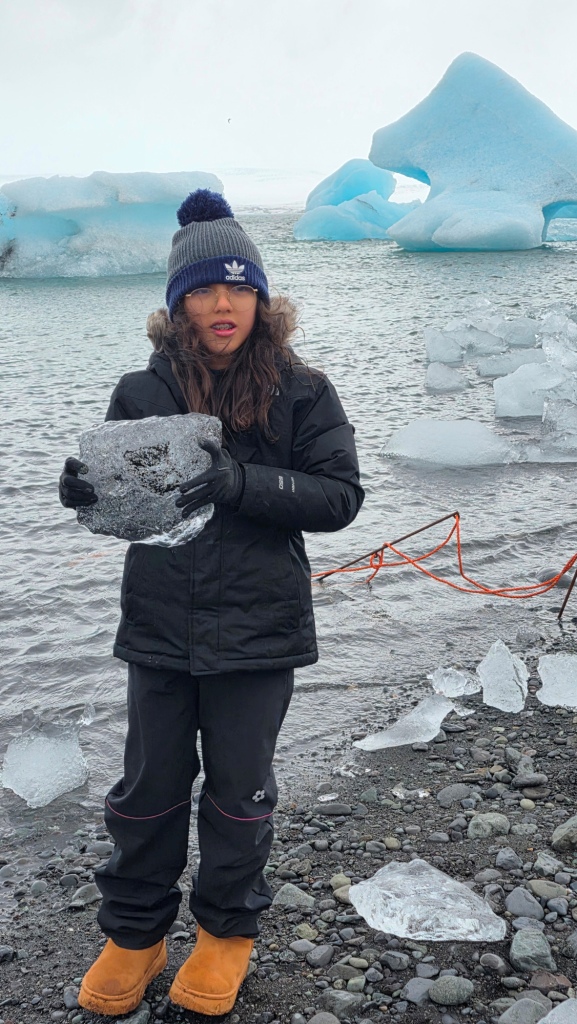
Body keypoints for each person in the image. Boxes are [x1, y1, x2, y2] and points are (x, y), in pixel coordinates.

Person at [59, 189, 364, 1017]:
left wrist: (239, 481)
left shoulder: (304, 391)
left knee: (239, 792)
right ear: (176, 305)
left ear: (261, 298)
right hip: (158, 626)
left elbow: (339, 498)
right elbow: (123, 511)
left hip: (259, 630)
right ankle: (134, 932)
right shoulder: (138, 390)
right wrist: (83, 495)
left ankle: (227, 932)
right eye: (201, 289)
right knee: (147, 787)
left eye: (237, 286)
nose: (221, 304)